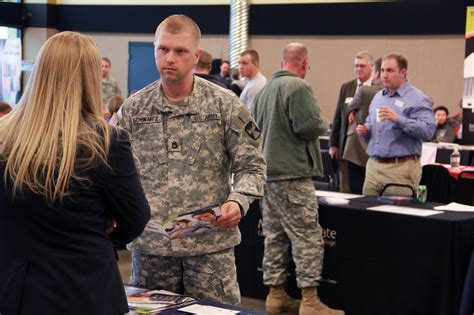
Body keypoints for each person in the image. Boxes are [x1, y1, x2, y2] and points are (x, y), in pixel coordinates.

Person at [119, 14, 266, 305]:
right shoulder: (133, 110)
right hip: (152, 251)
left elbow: (253, 165)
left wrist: (239, 201)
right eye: (163, 49)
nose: (170, 58)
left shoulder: (224, 105)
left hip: (209, 249)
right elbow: (115, 173)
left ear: (196, 56)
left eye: (180, 51)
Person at [0, 31, 150, 315]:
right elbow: (135, 218)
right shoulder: (106, 142)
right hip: (83, 289)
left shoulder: (5, 139)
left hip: (16, 291)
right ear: (91, 78)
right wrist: (98, 227)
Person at [252, 43, 344, 315]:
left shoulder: (264, 91)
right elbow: (308, 125)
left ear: (283, 62)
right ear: (303, 63)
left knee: (274, 237)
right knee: (307, 238)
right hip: (292, 176)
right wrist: (324, 121)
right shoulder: (298, 87)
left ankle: (276, 295)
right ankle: (310, 301)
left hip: (268, 176)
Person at [356, 52, 436, 196]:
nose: (384, 75)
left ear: (403, 72)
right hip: (373, 167)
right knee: (365, 215)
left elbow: (428, 131)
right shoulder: (378, 97)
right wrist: (365, 131)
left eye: (390, 70)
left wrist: (398, 119)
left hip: (400, 169)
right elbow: (371, 123)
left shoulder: (418, 99)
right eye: (382, 70)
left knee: (395, 217)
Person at [329, 51, 374, 193]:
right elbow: (338, 116)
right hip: (346, 144)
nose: (358, 69)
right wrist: (333, 144)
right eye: (356, 66)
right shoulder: (347, 87)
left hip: (368, 145)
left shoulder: (378, 88)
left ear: (371, 67)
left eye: (362, 66)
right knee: (346, 187)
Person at [342, 57, 383, 194]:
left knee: (355, 189)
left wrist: (353, 110)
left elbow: (348, 108)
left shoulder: (365, 91)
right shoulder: (396, 95)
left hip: (358, 145)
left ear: (374, 71)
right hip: (380, 148)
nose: (358, 69)